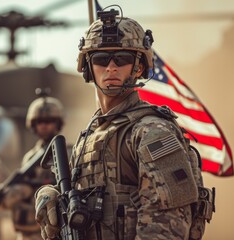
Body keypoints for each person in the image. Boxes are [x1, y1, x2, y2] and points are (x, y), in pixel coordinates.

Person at [34, 6, 214, 240]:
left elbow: (167, 226)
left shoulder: (151, 131)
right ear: (88, 68)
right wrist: (52, 197)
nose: (111, 67)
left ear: (138, 67)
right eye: (100, 59)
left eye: (122, 58)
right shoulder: (89, 136)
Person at [2, 91, 65, 240]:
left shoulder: (66, 153)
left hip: (56, 227)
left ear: (58, 124)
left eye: (49, 120)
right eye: (39, 121)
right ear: (33, 125)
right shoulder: (30, 156)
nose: (44, 125)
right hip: (30, 228)